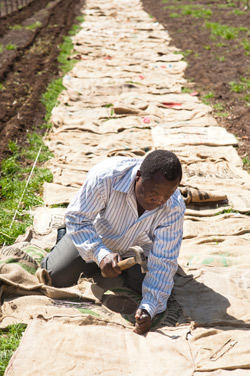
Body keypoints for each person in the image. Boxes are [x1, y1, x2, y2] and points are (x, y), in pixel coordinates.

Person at [41, 149, 185, 334]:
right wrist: (100, 254)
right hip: (98, 236)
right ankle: (70, 241)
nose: (158, 201)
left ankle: (116, 270)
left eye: (166, 196)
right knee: (56, 275)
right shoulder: (106, 176)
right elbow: (78, 218)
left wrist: (149, 309)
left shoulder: (174, 205)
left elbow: (164, 262)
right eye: (154, 193)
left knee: (157, 291)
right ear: (138, 176)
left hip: (137, 252)